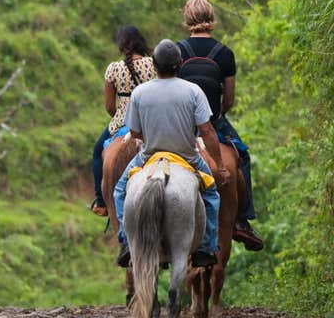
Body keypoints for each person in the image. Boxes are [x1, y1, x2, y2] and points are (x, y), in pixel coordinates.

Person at [113, 39, 230, 268]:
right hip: (187, 157)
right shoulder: (193, 91)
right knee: (211, 194)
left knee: (119, 191)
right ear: (180, 64)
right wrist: (220, 165)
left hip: (148, 156)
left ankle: (126, 240)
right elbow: (207, 131)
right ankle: (206, 247)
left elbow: (134, 132)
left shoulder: (140, 92)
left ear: (154, 65)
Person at [177, 0, 264, 251]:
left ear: (187, 18)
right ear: (211, 17)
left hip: (183, 126)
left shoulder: (177, 51)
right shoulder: (224, 54)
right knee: (242, 156)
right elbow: (230, 99)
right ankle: (242, 221)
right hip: (214, 122)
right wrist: (214, 116)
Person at [90, 26, 156, 217]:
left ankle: (101, 203)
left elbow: (110, 107)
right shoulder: (154, 64)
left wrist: (120, 116)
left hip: (123, 122)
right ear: (140, 41)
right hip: (150, 122)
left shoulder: (114, 68)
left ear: (121, 45)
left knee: (97, 152)